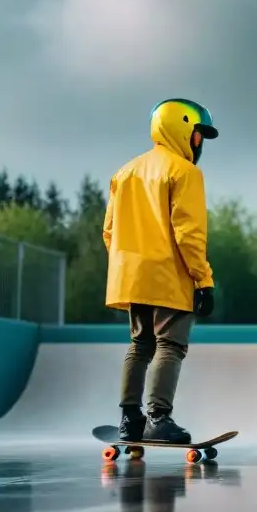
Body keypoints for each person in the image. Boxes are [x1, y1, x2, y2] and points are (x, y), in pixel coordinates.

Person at [103, 98, 218, 445]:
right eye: (198, 134)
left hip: (132, 277)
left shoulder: (124, 172)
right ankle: (158, 417)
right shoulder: (184, 172)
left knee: (140, 345)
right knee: (170, 346)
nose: (199, 143)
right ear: (183, 128)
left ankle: (129, 420)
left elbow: (109, 231)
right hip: (170, 275)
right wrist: (203, 279)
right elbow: (189, 233)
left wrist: (131, 263)